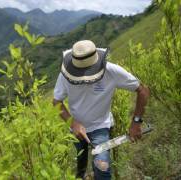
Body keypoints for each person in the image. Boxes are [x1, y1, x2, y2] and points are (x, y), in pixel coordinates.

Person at [53, 40, 150, 180]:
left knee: (102, 168)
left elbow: (143, 91)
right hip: (75, 129)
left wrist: (136, 122)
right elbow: (56, 101)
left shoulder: (111, 71)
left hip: (100, 126)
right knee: (80, 167)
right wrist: (73, 123)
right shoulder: (65, 74)